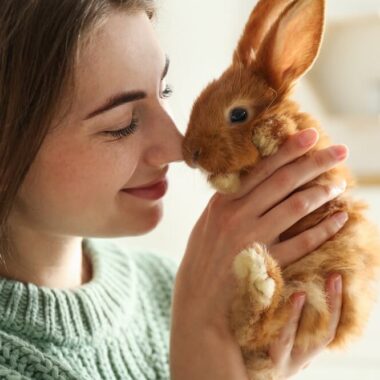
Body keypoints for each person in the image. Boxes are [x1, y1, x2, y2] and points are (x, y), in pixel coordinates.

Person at [0, 0, 349, 379]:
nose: (176, 148)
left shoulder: (171, 286)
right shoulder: (196, 304)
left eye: (164, 91)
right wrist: (203, 337)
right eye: (120, 123)